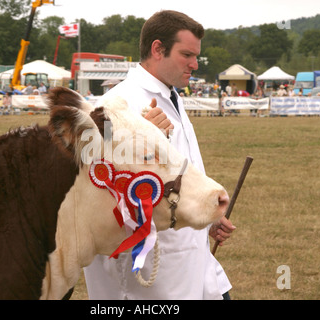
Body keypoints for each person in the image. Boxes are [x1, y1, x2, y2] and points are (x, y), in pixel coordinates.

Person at [84, 10, 235, 300]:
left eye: (196, 56)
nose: (195, 64)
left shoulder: (172, 97)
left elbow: (182, 173)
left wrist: (206, 216)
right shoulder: (114, 104)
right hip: (149, 274)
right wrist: (137, 142)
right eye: (187, 55)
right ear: (157, 49)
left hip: (194, 261)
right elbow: (91, 176)